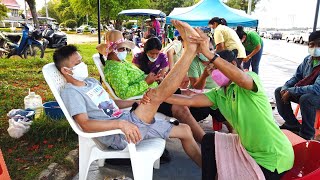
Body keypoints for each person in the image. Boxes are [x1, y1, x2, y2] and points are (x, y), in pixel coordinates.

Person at [142, 28, 294, 179]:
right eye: (213, 68)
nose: (214, 72)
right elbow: (190, 100)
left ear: (233, 64)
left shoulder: (250, 79)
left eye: (217, 67)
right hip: (248, 150)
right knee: (208, 141)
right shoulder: (219, 93)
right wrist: (156, 96)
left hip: (273, 159)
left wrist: (209, 53)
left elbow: (241, 79)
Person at [54, 19, 202, 167]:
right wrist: (121, 124)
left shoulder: (91, 82)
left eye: (81, 61)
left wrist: (135, 103)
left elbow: (111, 103)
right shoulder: (71, 92)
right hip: (120, 133)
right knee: (156, 95)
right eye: (77, 64)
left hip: (128, 119)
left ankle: (210, 171)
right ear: (65, 71)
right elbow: (85, 124)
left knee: (185, 130)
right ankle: (190, 51)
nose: (82, 65)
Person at [97, 29, 205, 143]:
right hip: (148, 97)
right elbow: (123, 94)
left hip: (154, 89)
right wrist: (146, 82)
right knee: (182, 109)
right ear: (111, 50)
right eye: (120, 49)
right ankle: (204, 141)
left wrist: (151, 78)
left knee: (189, 96)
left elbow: (134, 79)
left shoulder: (120, 62)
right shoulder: (114, 69)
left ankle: (201, 135)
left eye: (125, 48)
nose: (124, 51)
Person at [275, 30, 320, 140]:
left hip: (316, 95)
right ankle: (292, 124)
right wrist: (286, 88)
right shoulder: (307, 60)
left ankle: (307, 134)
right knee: (279, 91)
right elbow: (297, 77)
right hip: (306, 93)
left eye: (319, 45)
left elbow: (317, 88)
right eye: (312, 44)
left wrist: (291, 91)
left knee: (306, 99)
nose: (315, 48)